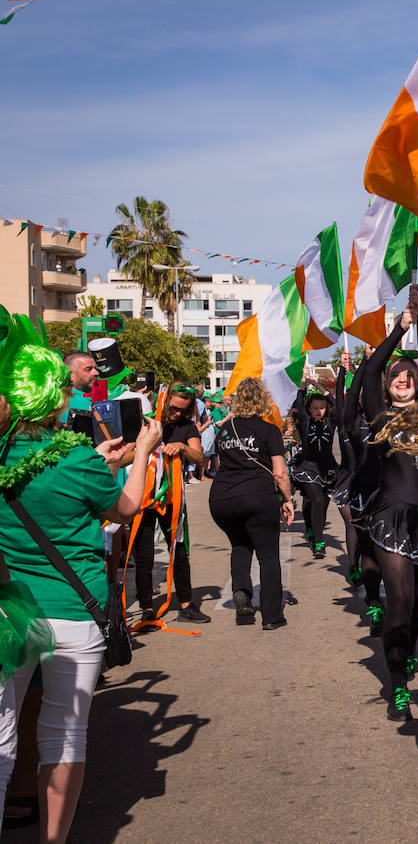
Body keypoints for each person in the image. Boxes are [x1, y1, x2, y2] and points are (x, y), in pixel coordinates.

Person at [0, 314, 162, 843]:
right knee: (63, 738)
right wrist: (139, 452)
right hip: (74, 612)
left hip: (10, 614)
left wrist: (97, 460)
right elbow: (129, 506)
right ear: (56, 400)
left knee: (1, 741)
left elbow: (40, 487)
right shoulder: (73, 460)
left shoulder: (5, 457)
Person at [359, 285, 418, 722]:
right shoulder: (379, 414)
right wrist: (401, 328)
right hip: (391, 517)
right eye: (396, 377)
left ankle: (409, 649)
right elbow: (373, 369)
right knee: (398, 596)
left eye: (408, 377)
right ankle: (397, 682)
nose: (401, 380)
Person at [209, 377, 293, 630]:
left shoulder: (225, 429)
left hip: (222, 498)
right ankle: (271, 616)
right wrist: (287, 499)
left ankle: (243, 602)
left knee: (240, 545)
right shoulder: (269, 430)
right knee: (268, 556)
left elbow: (219, 464)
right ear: (263, 400)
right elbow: (280, 472)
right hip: (257, 496)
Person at [127, 382, 211, 628]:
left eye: (183, 410)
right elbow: (124, 458)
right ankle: (147, 608)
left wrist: (183, 447)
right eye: (174, 408)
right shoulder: (144, 424)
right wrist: (145, 449)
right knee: (143, 555)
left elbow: (199, 457)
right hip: (142, 495)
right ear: (164, 400)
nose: (177, 414)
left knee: (179, 550)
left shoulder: (186, 426)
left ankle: (186, 604)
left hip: (172, 496)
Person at [338, 349, 385, 636]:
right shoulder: (352, 423)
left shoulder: (390, 421)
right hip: (360, 495)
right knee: (369, 551)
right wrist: (362, 364)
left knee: (389, 556)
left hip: (388, 496)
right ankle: (374, 604)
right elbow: (350, 396)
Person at [291, 382, 337, 560]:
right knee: (316, 500)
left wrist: (318, 385)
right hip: (308, 468)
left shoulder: (331, 423)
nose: (319, 410)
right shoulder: (305, 423)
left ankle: (312, 527)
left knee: (323, 503)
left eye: (322, 407)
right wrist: (303, 384)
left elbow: (335, 404)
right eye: (315, 407)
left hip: (328, 469)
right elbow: (299, 403)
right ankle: (319, 542)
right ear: (309, 409)